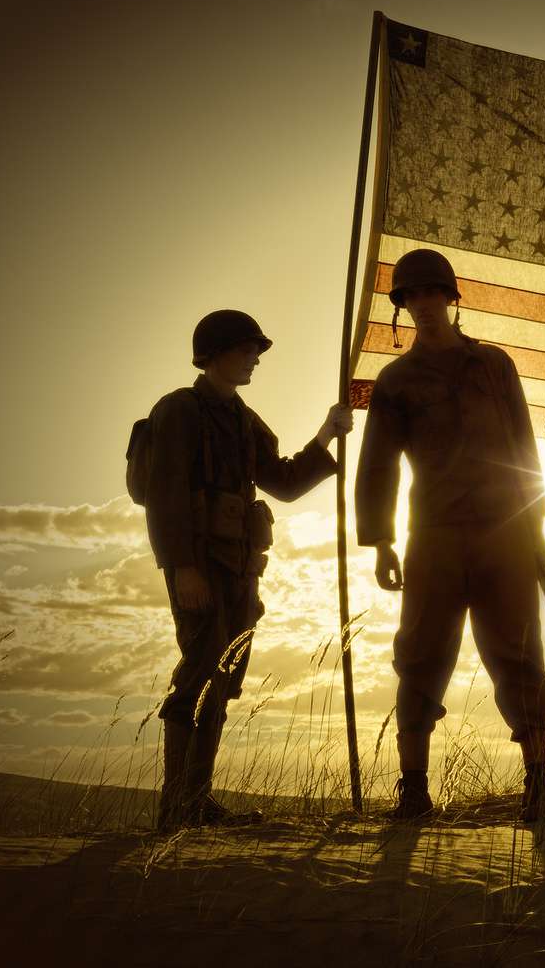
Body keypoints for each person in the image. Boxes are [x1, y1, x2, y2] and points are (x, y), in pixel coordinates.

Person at [355, 248, 545, 822]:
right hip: (435, 537)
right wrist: (381, 540)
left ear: (450, 297)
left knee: (519, 656)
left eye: (430, 294)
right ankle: (413, 789)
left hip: (505, 534)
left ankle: (537, 784)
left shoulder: (495, 366)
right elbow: (379, 465)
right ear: (403, 306)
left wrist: (536, 527)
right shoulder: (395, 380)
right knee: (419, 658)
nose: (422, 305)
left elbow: (524, 448)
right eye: (410, 297)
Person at [145, 309, 351, 830]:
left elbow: (280, 481)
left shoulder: (244, 419)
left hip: (240, 569)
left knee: (224, 678)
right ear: (214, 353)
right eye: (246, 349)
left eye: (256, 350)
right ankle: (176, 807)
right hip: (198, 566)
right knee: (196, 671)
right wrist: (182, 569)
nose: (255, 358)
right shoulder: (179, 410)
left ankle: (197, 800)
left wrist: (326, 434)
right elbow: (164, 495)